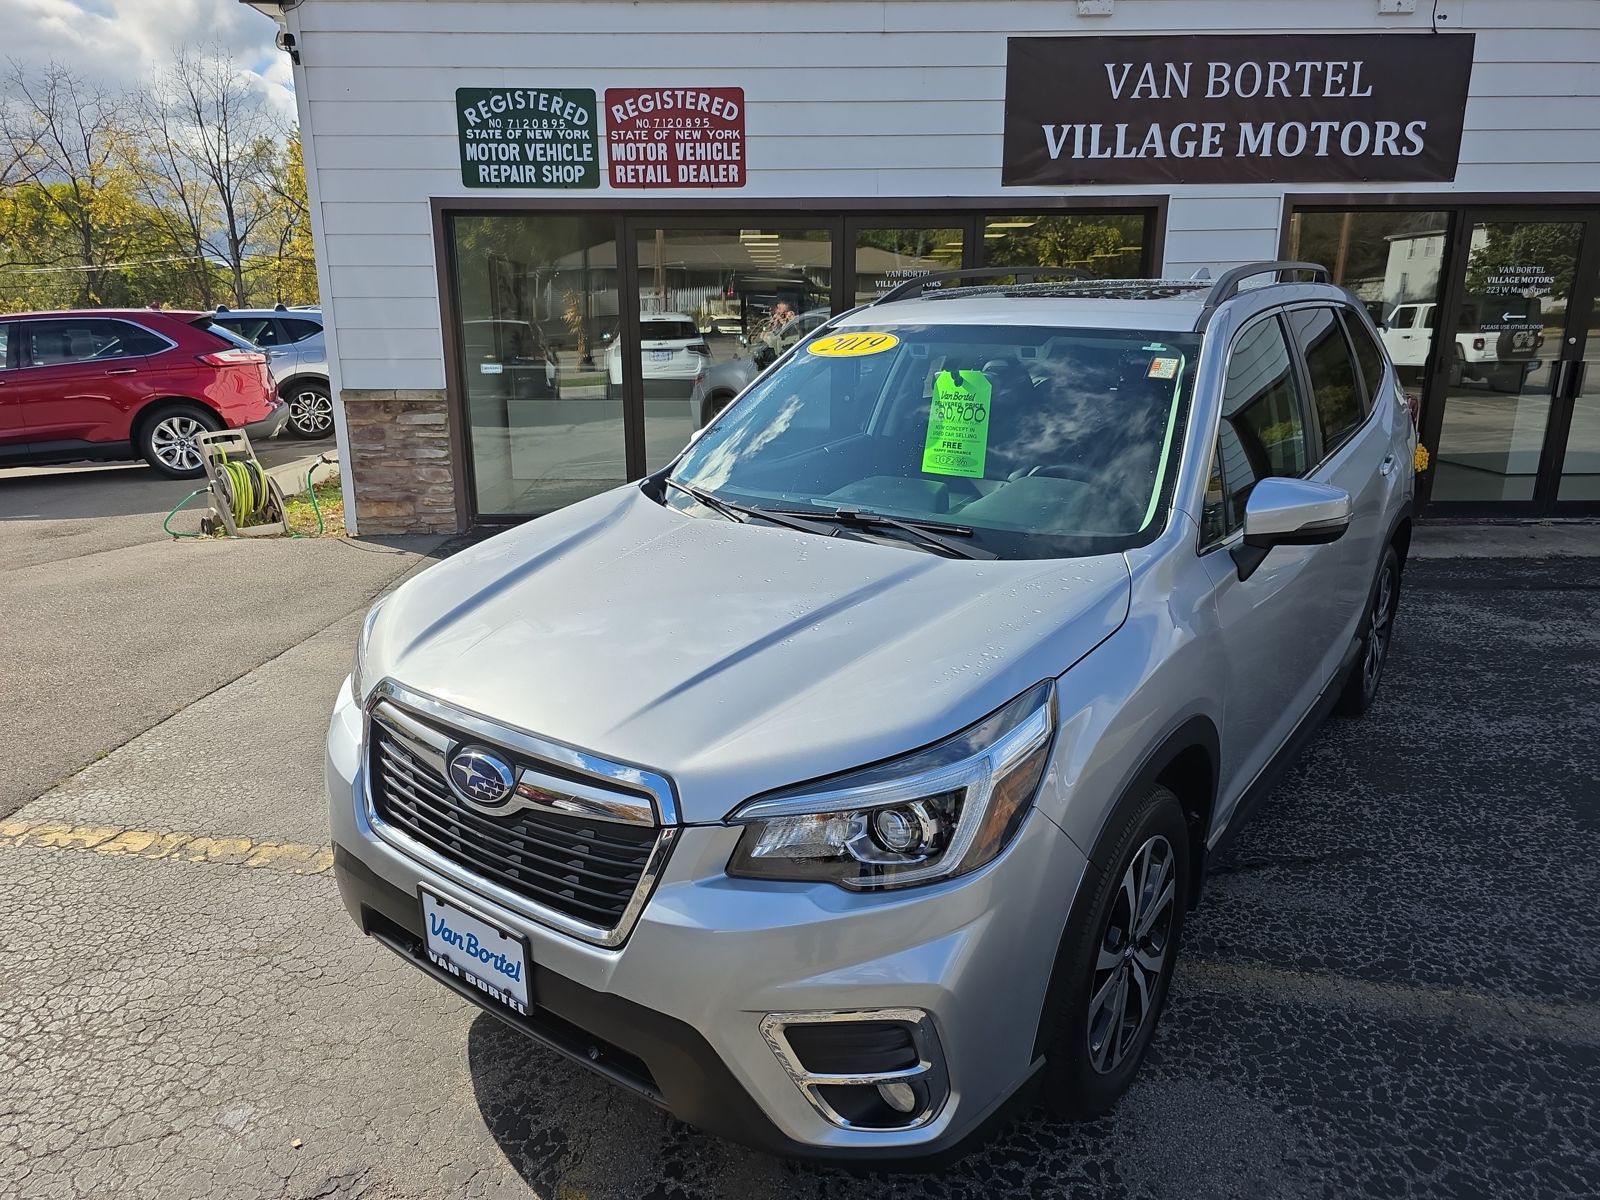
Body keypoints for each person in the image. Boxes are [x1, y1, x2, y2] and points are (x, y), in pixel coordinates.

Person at [753, 301, 798, 367]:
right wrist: (773, 324)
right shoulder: (776, 321)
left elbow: (790, 337)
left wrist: (788, 323)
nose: (778, 306)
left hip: (784, 356)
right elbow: (765, 335)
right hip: (771, 356)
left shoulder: (794, 321)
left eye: (781, 303)